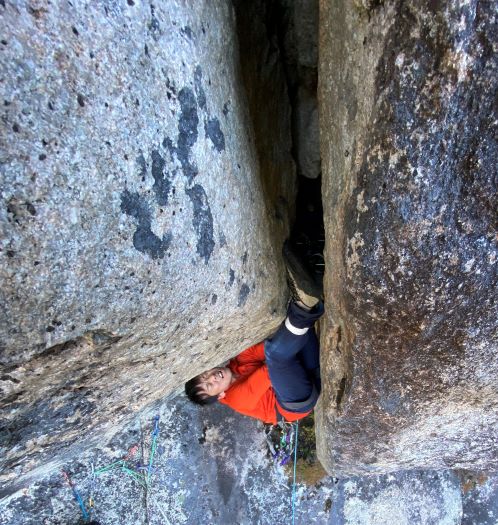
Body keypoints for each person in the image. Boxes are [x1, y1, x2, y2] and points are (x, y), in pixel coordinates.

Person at [185, 242, 324, 424]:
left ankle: (312, 262)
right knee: (276, 354)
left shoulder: (237, 361)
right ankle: (304, 304)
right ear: (221, 395)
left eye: (205, 375)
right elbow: (269, 369)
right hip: (297, 402)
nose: (212, 377)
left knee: (284, 339)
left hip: (305, 368)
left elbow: (267, 344)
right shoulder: (236, 399)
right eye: (210, 385)